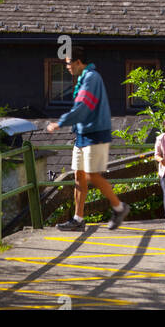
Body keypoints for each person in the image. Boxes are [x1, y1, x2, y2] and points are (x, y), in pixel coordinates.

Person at [46, 48, 130, 230]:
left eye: (68, 63)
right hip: (82, 134)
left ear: (78, 62)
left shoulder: (92, 78)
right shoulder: (84, 78)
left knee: (92, 175)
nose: (67, 67)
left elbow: (84, 107)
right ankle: (78, 219)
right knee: (79, 175)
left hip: (95, 134)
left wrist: (60, 123)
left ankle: (119, 207)